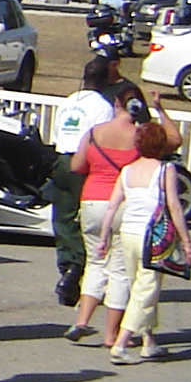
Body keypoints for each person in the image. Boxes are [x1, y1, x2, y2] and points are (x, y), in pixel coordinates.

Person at [66, 84, 175, 341]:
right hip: (122, 205)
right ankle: (111, 333)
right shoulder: (140, 137)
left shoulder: (94, 132)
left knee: (95, 262)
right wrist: (159, 109)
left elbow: (77, 165)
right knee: (119, 271)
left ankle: (82, 321)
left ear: (116, 103)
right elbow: (174, 140)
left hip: (92, 201)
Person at [94, 121, 191, 363]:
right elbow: (174, 206)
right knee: (146, 290)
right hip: (152, 237)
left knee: (139, 288)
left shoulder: (127, 170)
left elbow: (112, 206)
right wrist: (186, 241)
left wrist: (104, 237)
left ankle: (148, 340)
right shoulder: (165, 170)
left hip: (127, 234)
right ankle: (121, 343)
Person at [43, 57, 123, 305]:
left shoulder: (68, 102)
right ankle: (79, 268)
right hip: (85, 161)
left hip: (62, 158)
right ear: (105, 79)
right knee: (85, 219)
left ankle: (67, 266)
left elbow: (56, 135)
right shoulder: (103, 107)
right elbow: (101, 140)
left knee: (63, 218)